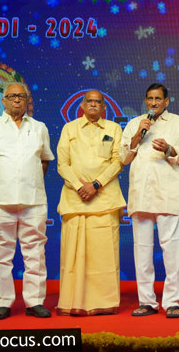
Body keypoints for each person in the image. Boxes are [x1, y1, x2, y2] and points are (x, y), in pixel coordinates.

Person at [0, 82, 54, 320]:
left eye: (21, 96)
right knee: (0, 254)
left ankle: (34, 301)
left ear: (27, 101)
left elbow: (45, 160)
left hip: (33, 201)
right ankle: (2, 302)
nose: (17, 100)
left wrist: (28, 181)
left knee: (35, 254)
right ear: (3, 101)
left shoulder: (39, 127)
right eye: (12, 96)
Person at [121, 83, 179, 319]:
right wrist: (138, 134)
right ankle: (147, 302)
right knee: (142, 252)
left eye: (158, 99)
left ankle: (173, 301)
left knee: (172, 251)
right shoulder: (135, 123)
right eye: (150, 99)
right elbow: (124, 157)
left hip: (169, 193)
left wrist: (170, 148)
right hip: (141, 194)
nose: (153, 103)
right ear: (146, 101)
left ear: (167, 101)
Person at [56, 90, 125, 316]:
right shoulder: (70, 129)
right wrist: (79, 186)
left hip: (104, 199)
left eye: (98, 102)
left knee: (103, 256)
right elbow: (62, 164)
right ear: (83, 105)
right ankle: (72, 302)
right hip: (75, 199)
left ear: (104, 107)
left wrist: (95, 185)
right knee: (73, 256)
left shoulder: (113, 129)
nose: (94, 104)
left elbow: (117, 161)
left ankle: (104, 303)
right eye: (90, 101)